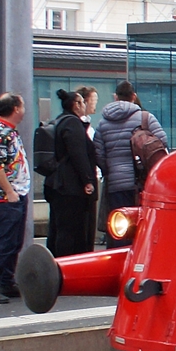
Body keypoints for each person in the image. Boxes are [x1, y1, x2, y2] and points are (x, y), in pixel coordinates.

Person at [95, 81, 168, 247]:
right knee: (141, 226)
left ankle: (119, 259)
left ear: (115, 97)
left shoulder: (103, 123)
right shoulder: (145, 118)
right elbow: (162, 142)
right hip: (141, 183)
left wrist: (110, 171)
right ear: (133, 96)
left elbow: (98, 154)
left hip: (115, 185)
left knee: (119, 228)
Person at [0, 92, 30, 304]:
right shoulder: (0, 133)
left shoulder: (8, 131)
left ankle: (6, 281)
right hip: (7, 196)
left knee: (14, 241)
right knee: (6, 242)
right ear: (16, 109)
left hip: (17, 192)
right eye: (22, 105)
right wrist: (9, 191)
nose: (24, 110)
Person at [44, 90, 99, 257]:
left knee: (58, 228)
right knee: (71, 231)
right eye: (82, 102)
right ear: (76, 105)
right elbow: (78, 154)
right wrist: (87, 180)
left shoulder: (59, 121)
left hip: (57, 184)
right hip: (70, 187)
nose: (85, 105)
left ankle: (55, 264)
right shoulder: (73, 123)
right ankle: (67, 265)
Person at [76, 86, 101, 248]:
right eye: (93, 100)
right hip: (88, 179)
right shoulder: (80, 127)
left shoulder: (88, 125)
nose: (95, 104)